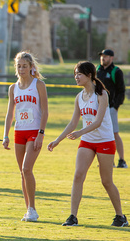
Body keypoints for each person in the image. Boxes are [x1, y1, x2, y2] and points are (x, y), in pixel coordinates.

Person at [48, 61, 128, 227]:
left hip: (105, 142)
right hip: (87, 142)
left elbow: (98, 122)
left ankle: (120, 217)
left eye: (79, 74)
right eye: (75, 74)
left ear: (89, 75)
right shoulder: (79, 97)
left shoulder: (101, 95)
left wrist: (80, 132)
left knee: (106, 181)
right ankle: (72, 217)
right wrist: (57, 140)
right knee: (78, 175)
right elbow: (72, 123)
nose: (76, 77)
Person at [2, 52, 48, 222]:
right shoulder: (13, 88)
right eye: (18, 66)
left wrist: (41, 134)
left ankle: (33, 208)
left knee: (27, 169)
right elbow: (9, 114)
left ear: (31, 67)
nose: (21, 69)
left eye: (24, 66)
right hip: (19, 132)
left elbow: (45, 111)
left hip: (34, 131)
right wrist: (5, 135)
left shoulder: (39, 85)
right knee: (22, 172)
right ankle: (28, 210)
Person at [96, 49, 126, 168]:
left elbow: (121, 90)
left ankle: (121, 160)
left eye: (106, 56)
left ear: (111, 58)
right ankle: (108, 161)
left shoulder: (116, 71)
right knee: (101, 134)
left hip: (111, 107)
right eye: (102, 56)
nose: (103, 58)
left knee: (114, 133)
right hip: (99, 108)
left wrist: (115, 106)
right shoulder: (97, 70)